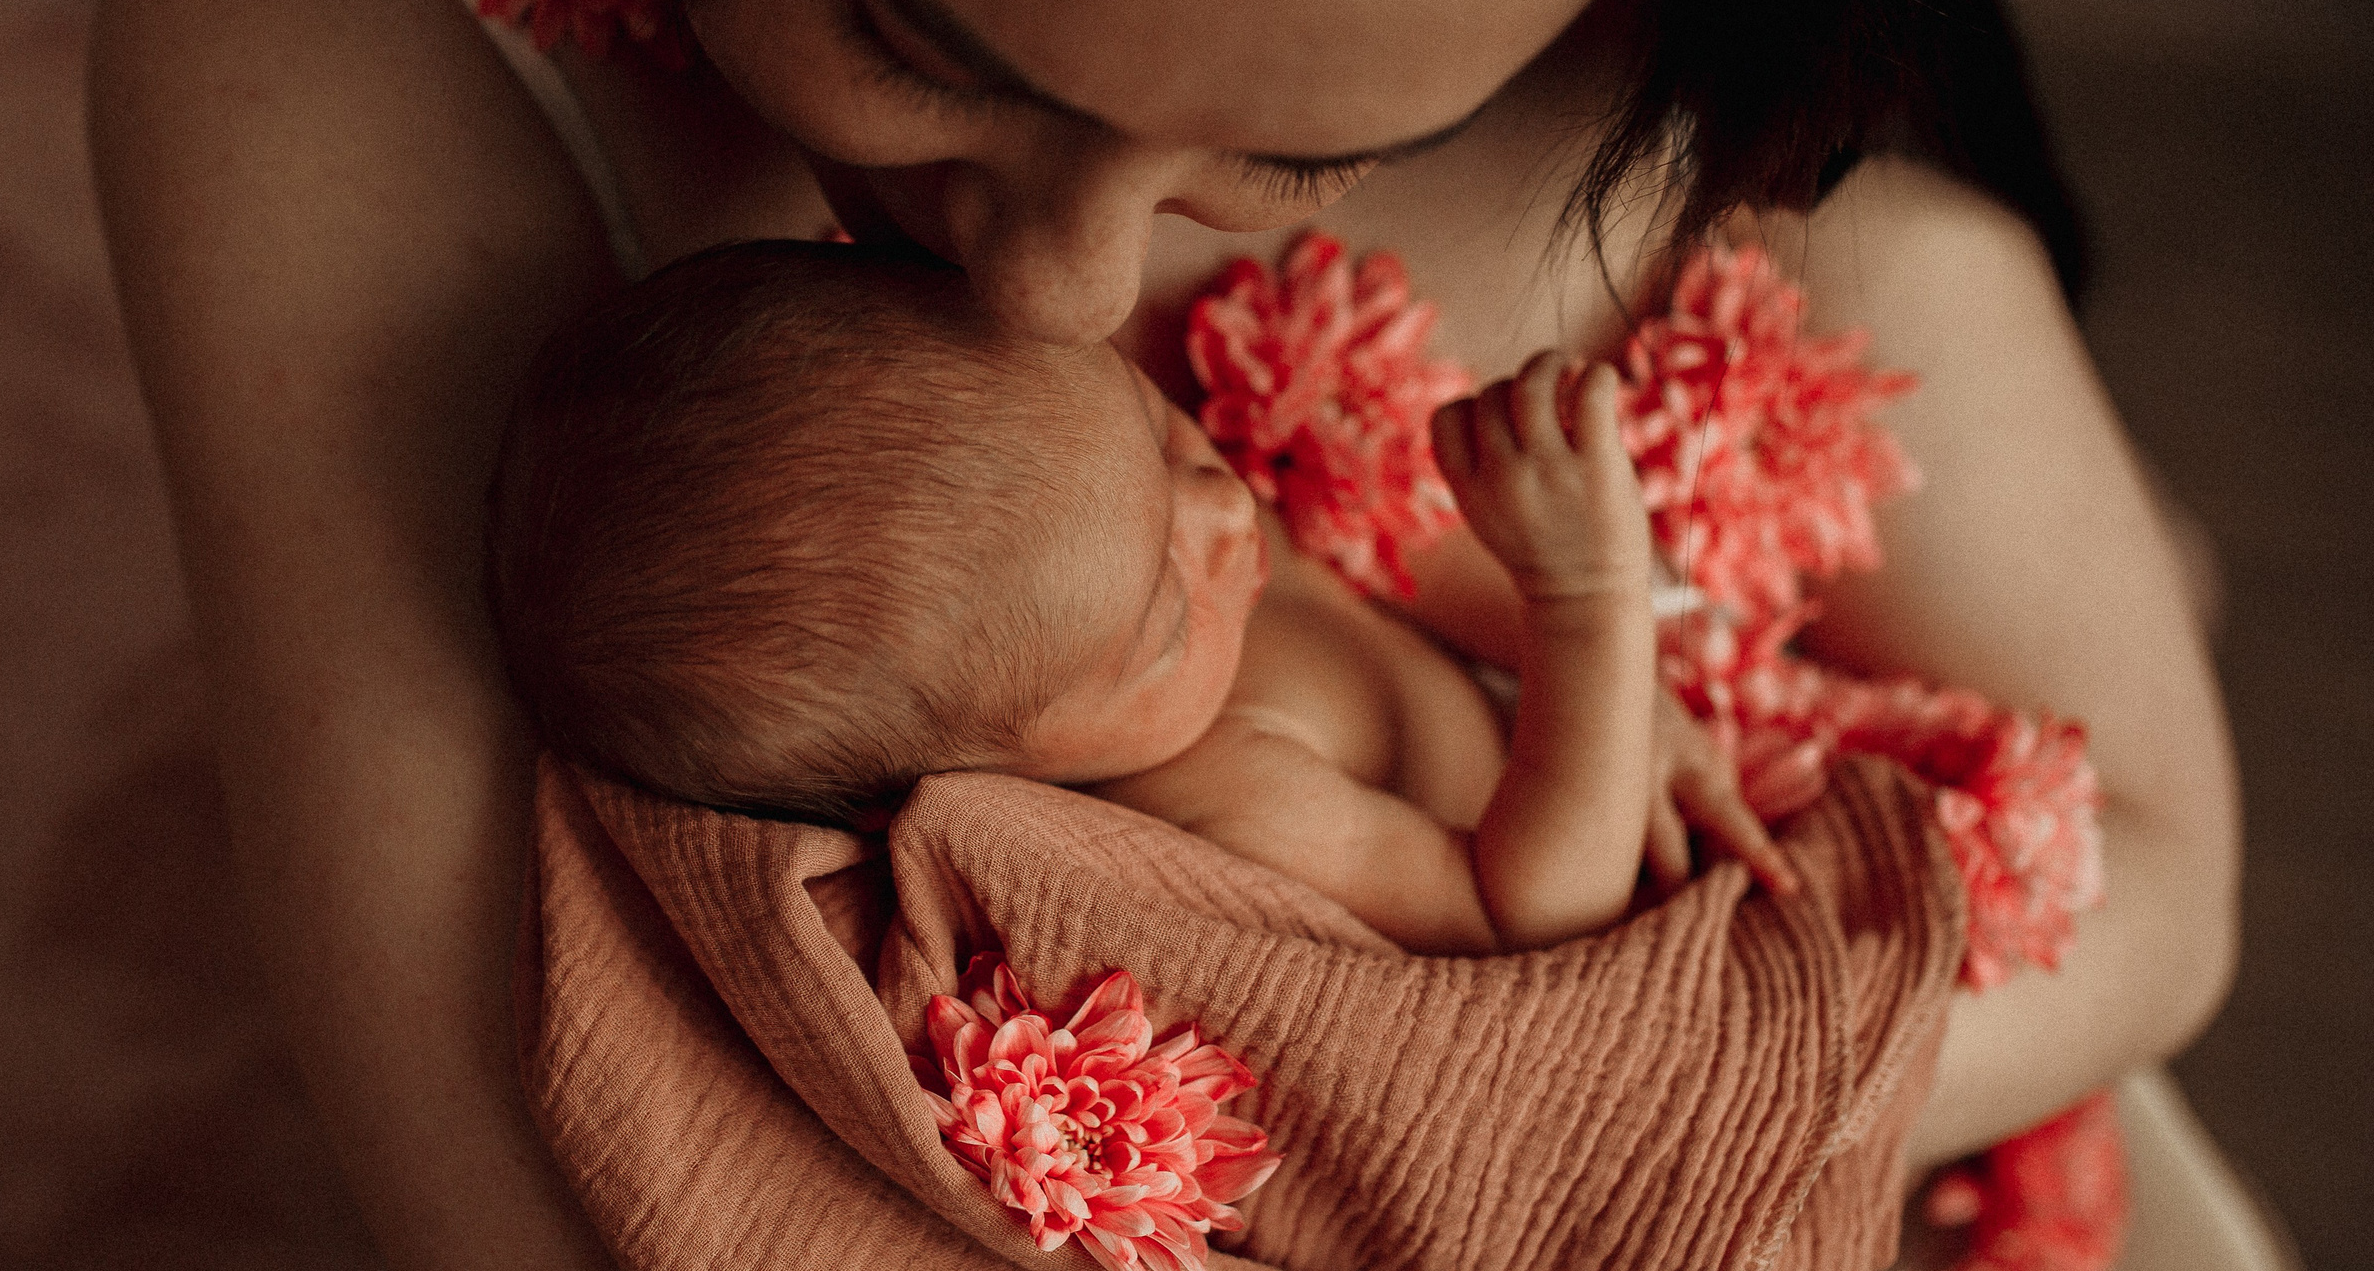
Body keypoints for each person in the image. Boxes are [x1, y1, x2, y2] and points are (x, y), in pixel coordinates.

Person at [84, 0, 2322, 1271]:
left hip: (1914, 1178)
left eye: (1308, 151)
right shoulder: (353, 38)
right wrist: (1463, 1136)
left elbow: (2153, 878)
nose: (1060, 303)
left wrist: (1613, 1129)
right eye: (913, 40)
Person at [485, 239, 1791, 957]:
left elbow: (1379, 571)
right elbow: (1527, 910)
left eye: (1165, 434)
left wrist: (1596, 673)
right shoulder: (1223, 793)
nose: (1227, 515)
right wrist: (1586, 598)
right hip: (1566, 839)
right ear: (975, 779)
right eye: (1160, 618)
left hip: (1591, 740)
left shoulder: (1132, 539)